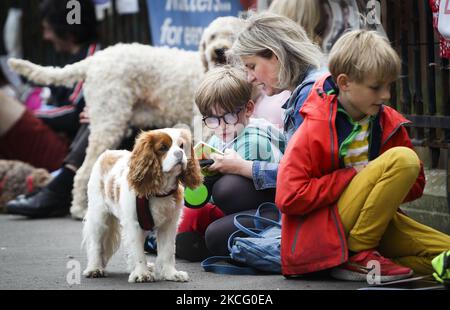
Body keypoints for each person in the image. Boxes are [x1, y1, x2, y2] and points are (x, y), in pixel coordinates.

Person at [276, 30, 450, 281]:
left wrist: (380, 179)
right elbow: (288, 197)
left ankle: (363, 263)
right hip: (325, 231)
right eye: (376, 87)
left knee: (446, 255)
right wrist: (352, 176)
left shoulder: (386, 120)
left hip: (375, 223)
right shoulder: (316, 124)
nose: (386, 96)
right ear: (344, 83)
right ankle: (358, 251)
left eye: (389, 85)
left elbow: (415, 187)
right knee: (404, 159)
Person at [201, 12, 327, 257]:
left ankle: (286, 233)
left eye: (252, 66)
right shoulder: (305, 89)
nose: (249, 77)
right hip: (298, 198)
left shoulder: (311, 94)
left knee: (217, 229)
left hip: (312, 206)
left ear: (276, 55)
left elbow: (302, 177)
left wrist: (242, 167)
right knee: (223, 200)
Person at [173, 65, 286, 261]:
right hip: (233, 209)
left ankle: (207, 244)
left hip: (268, 210)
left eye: (229, 116)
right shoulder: (219, 138)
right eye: (213, 119)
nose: (222, 126)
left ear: (248, 109)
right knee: (188, 212)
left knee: (222, 195)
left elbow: (242, 194)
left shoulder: (254, 142)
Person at [3, 0, 100, 217]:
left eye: (48, 29)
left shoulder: (94, 58)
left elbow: (73, 115)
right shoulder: (74, 57)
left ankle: (59, 185)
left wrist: (30, 114)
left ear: (67, 30)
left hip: (66, 150)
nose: (46, 37)